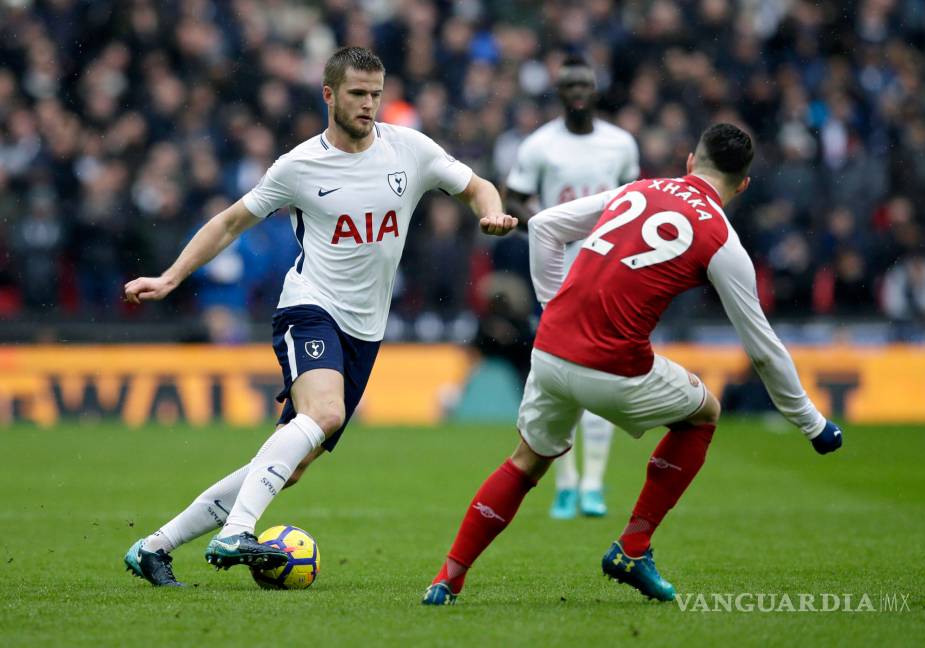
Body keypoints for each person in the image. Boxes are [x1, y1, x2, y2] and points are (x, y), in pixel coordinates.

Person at [121, 46, 517, 587]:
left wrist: (490, 212)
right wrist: (170, 277)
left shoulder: (410, 151)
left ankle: (154, 546)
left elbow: (476, 186)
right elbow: (232, 222)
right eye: (357, 94)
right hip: (309, 308)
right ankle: (236, 530)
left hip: (365, 331)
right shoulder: (300, 166)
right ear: (328, 94)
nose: (369, 105)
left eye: (376, 95)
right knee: (325, 414)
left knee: (294, 465)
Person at [422, 124, 843, 606]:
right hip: (612, 366)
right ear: (743, 185)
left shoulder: (639, 189)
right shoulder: (721, 239)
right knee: (703, 413)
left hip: (552, 349)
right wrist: (812, 424)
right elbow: (763, 348)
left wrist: (552, 303)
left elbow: (543, 227)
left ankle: (447, 578)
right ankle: (633, 546)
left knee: (525, 462)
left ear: (689, 162)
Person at [505, 55, 640, 519]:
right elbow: (514, 198)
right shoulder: (539, 145)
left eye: (585, 83)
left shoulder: (620, 143)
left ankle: (592, 485)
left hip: (609, 270)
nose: (578, 91)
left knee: (603, 375)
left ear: (595, 89)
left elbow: (636, 198)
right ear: (558, 93)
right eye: (569, 84)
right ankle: (564, 484)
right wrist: (546, 226)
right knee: (559, 377)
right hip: (558, 271)